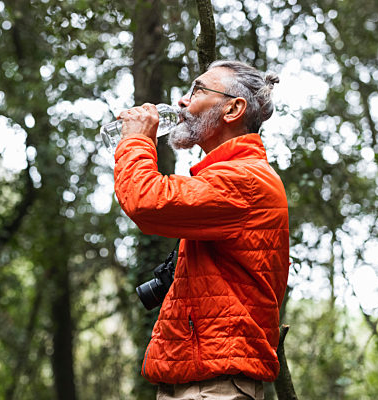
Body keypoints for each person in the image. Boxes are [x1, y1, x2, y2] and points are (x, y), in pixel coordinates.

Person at [114, 60, 290, 400]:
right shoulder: (227, 179)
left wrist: (136, 141)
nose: (182, 101)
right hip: (197, 382)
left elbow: (146, 201)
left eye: (197, 90)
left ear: (233, 109)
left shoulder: (246, 180)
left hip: (216, 387)